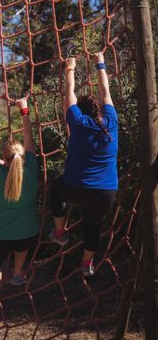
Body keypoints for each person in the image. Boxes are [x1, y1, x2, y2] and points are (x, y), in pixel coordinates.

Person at [49, 52, 118, 277]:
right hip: (105, 193)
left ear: (81, 110)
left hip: (75, 188)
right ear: (99, 110)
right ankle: (87, 264)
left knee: (55, 190)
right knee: (92, 225)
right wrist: (100, 63)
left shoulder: (77, 122)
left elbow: (69, 94)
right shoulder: (112, 123)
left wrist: (70, 67)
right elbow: (105, 91)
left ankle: (60, 232)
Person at [0, 97, 40, 319]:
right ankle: (18, 272)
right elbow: (30, 139)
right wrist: (24, 110)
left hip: (0, 235)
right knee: (22, 241)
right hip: (29, 235)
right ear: (23, 157)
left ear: (5, 159)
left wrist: (0, 162)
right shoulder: (32, 167)